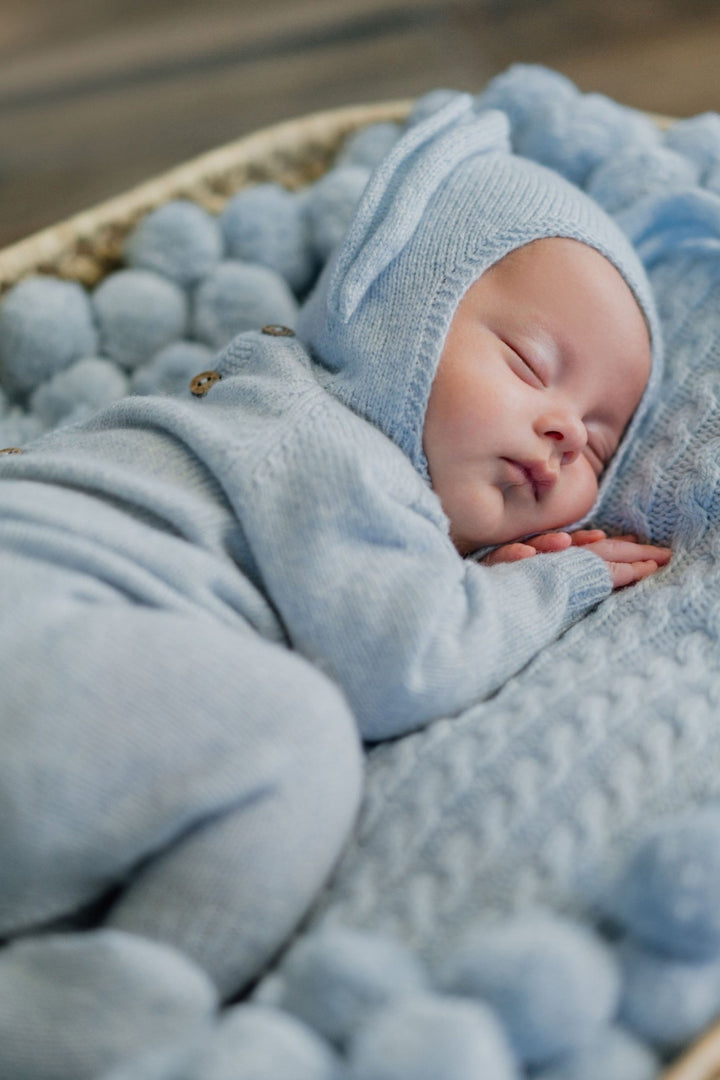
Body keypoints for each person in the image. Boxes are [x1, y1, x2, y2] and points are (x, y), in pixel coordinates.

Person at [0, 96, 669, 1011]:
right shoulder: (330, 443)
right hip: (33, 622)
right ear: (396, 308)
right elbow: (404, 658)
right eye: (526, 362)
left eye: (598, 443)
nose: (561, 430)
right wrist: (558, 583)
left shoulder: (258, 408)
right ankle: (98, 1018)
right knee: (299, 740)